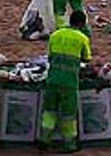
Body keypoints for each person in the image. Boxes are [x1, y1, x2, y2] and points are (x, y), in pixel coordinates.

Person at [39, 10, 92, 152]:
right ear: (82, 24)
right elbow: (86, 59)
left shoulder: (55, 35)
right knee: (68, 115)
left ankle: (44, 139)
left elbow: (50, 56)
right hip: (69, 83)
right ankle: (69, 144)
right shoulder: (82, 38)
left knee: (50, 111)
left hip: (52, 80)